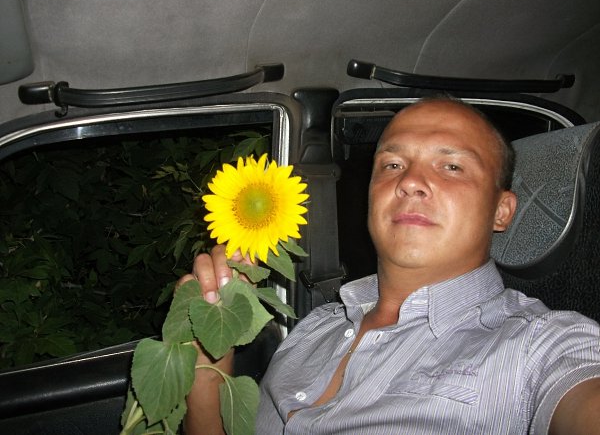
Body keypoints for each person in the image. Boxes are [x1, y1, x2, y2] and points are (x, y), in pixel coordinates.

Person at [181, 97, 600, 434]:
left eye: (452, 166)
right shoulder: (314, 327)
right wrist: (207, 359)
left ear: (502, 211)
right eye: (393, 165)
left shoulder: (543, 346)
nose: (409, 181)